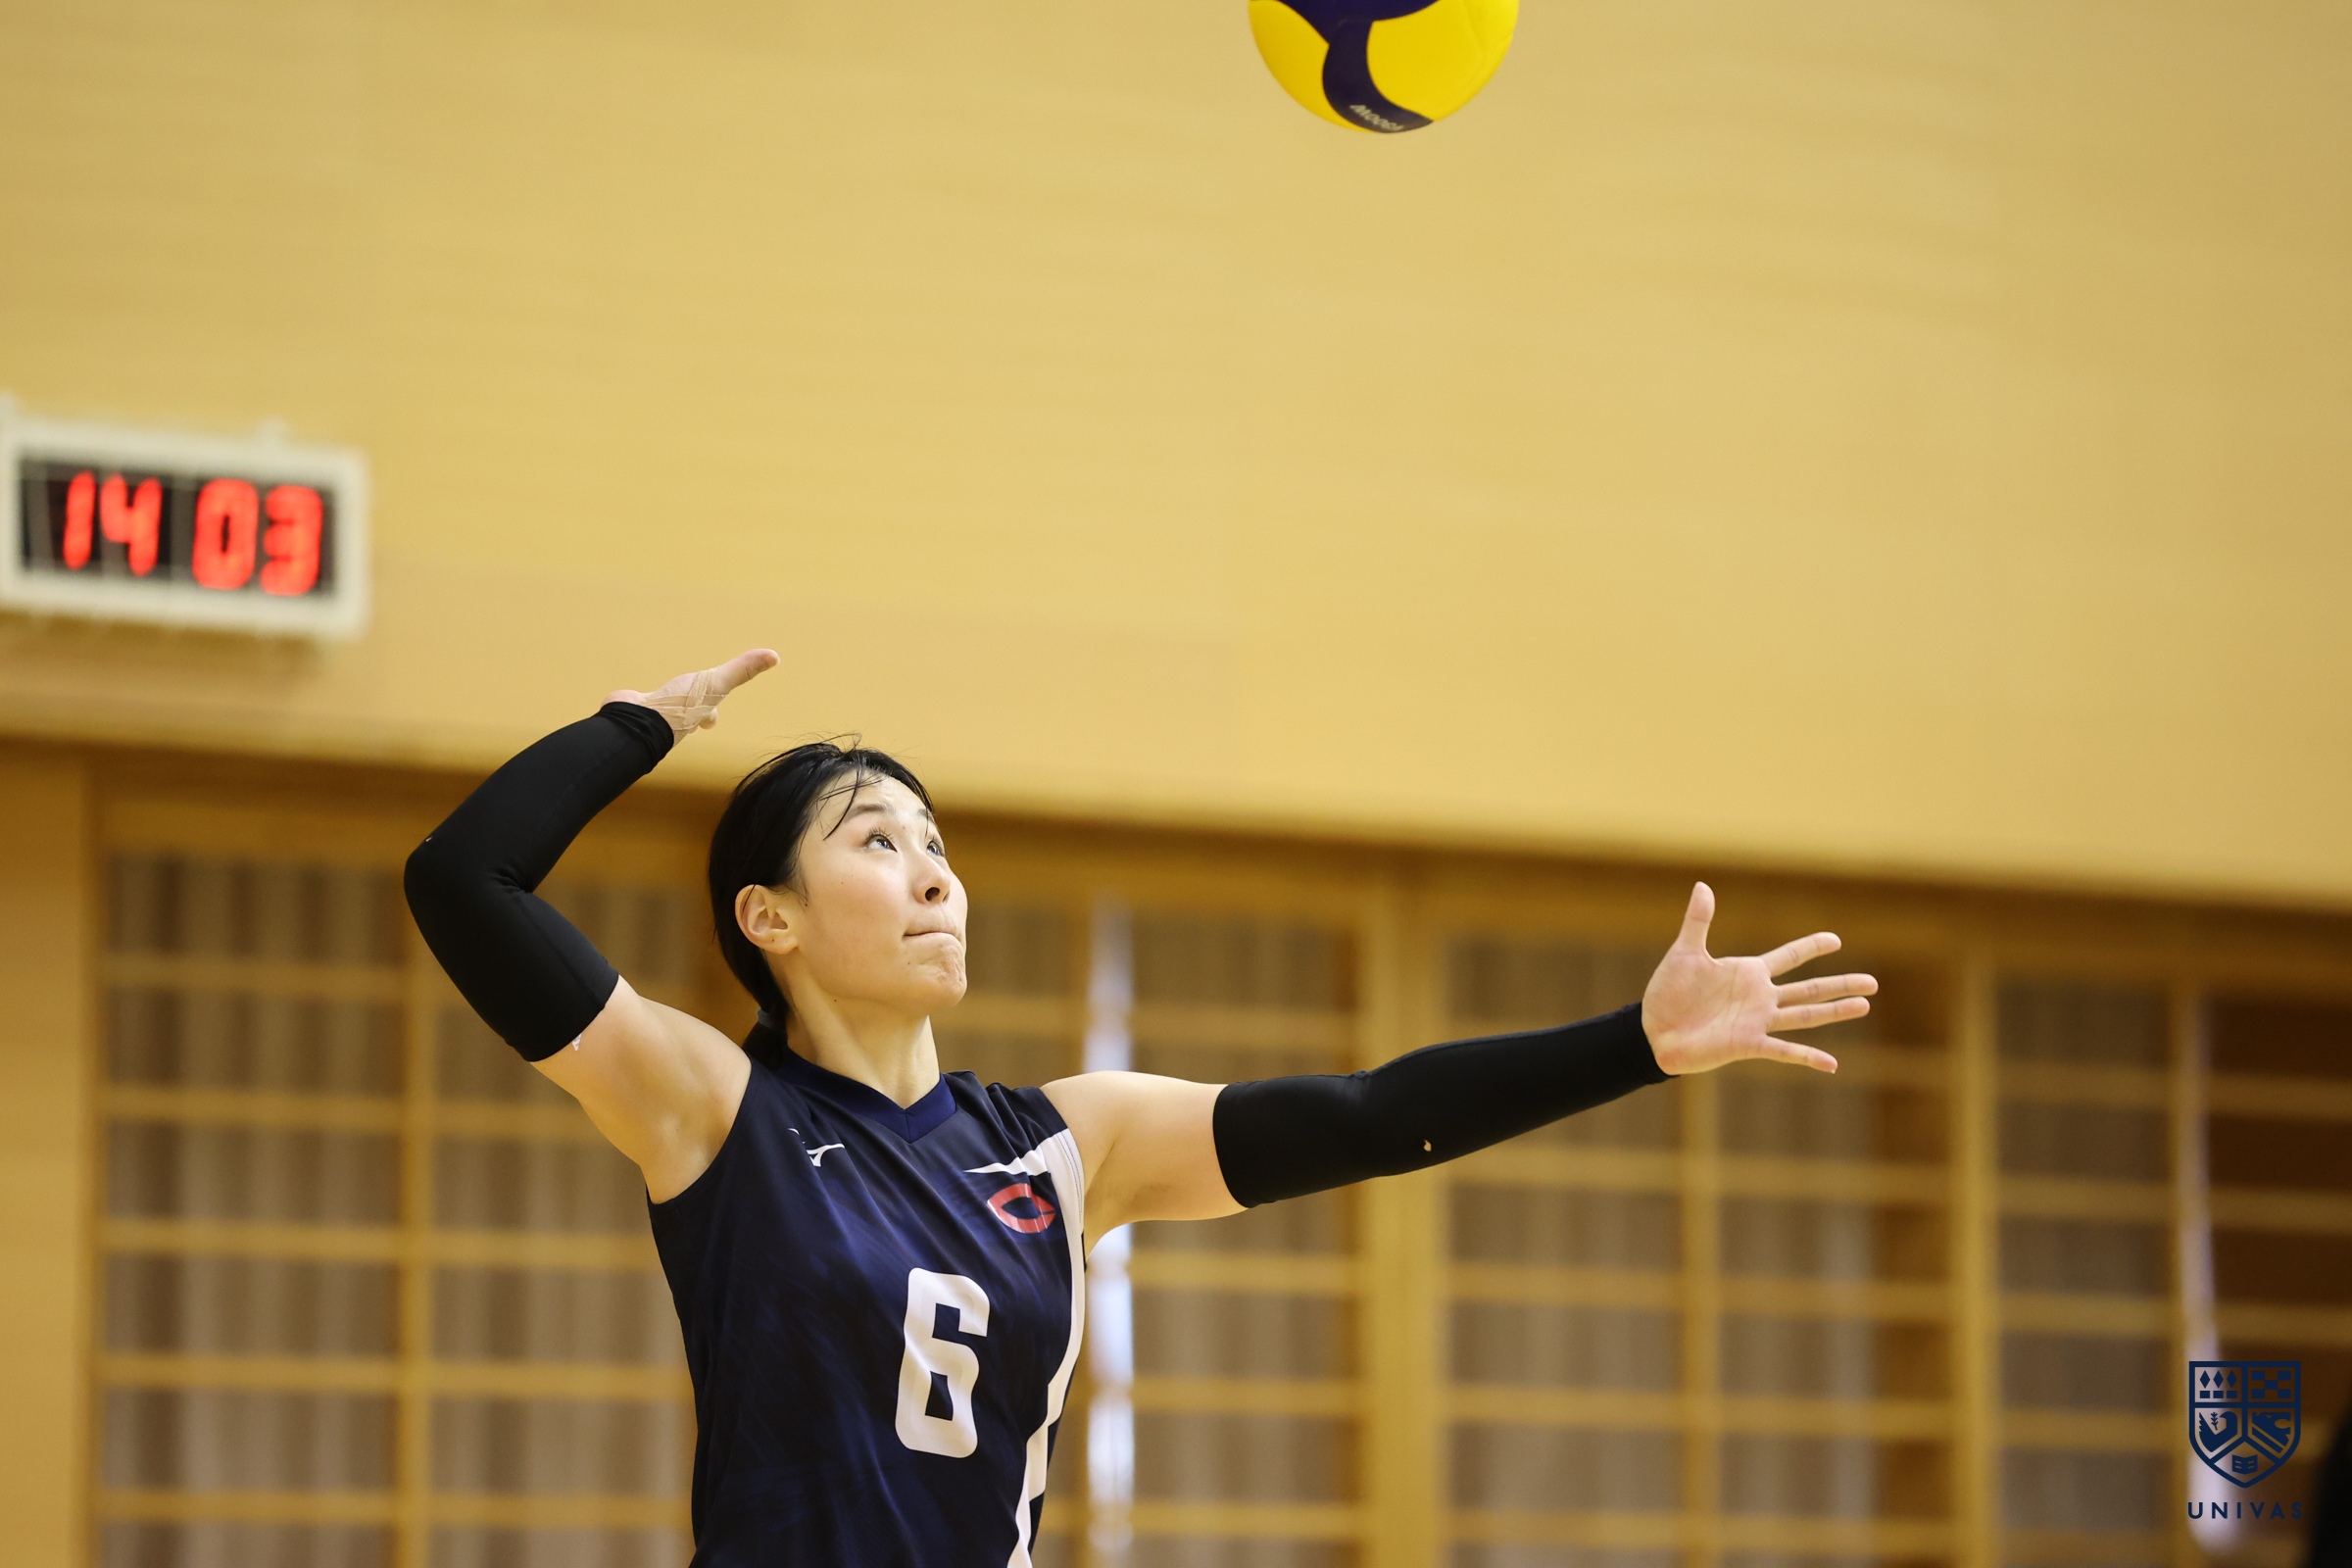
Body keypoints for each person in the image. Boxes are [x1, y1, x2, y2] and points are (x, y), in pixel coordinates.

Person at [404, 649, 1876, 1568]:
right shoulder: (715, 1110)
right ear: (766, 918)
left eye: (938, 844)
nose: (934, 875)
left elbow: (1370, 1114)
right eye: (876, 842)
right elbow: (465, 882)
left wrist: (1636, 1043)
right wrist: (640, 724)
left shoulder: (1065, 1145)